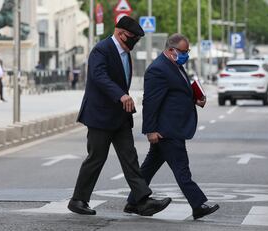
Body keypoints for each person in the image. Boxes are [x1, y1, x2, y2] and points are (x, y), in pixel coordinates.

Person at [67, 16, 171, 216]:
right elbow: (99, 76)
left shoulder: (125, 53)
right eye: (132, 37)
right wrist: (121, 95)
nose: (134, 42)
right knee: (96, 158)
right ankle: (78, 200)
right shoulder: (102, 49)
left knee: (130, 157)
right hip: (99, 116)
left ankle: (142, 201)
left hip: (120, 116)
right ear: (120, 33)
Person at [124, 34, 220, 220]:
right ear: (170, 50)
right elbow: (151, 102)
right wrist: (150, 130)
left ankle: (133, 202)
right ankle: (198, 204)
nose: (186, 55)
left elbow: (175, 94)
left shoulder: (175, 66)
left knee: (149, 168)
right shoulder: (158, 69)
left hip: (171, 127)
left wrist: (195, 98)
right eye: (183, 52)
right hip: (167, 130)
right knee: (182, 169)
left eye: (187, 51)